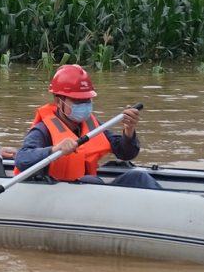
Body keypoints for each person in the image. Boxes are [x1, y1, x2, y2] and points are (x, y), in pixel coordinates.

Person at [15, 64, 161, 188]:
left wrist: (128, 130)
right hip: (58, 192)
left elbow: (126, 154)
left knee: (139, 177)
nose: (84, 105)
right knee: (91, 181)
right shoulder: (43, 130)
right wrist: (55, 149)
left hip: (89, 190)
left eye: (87, 100)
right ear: (59, 102)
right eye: (77, 101)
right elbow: (22, 159)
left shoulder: (92, 125)